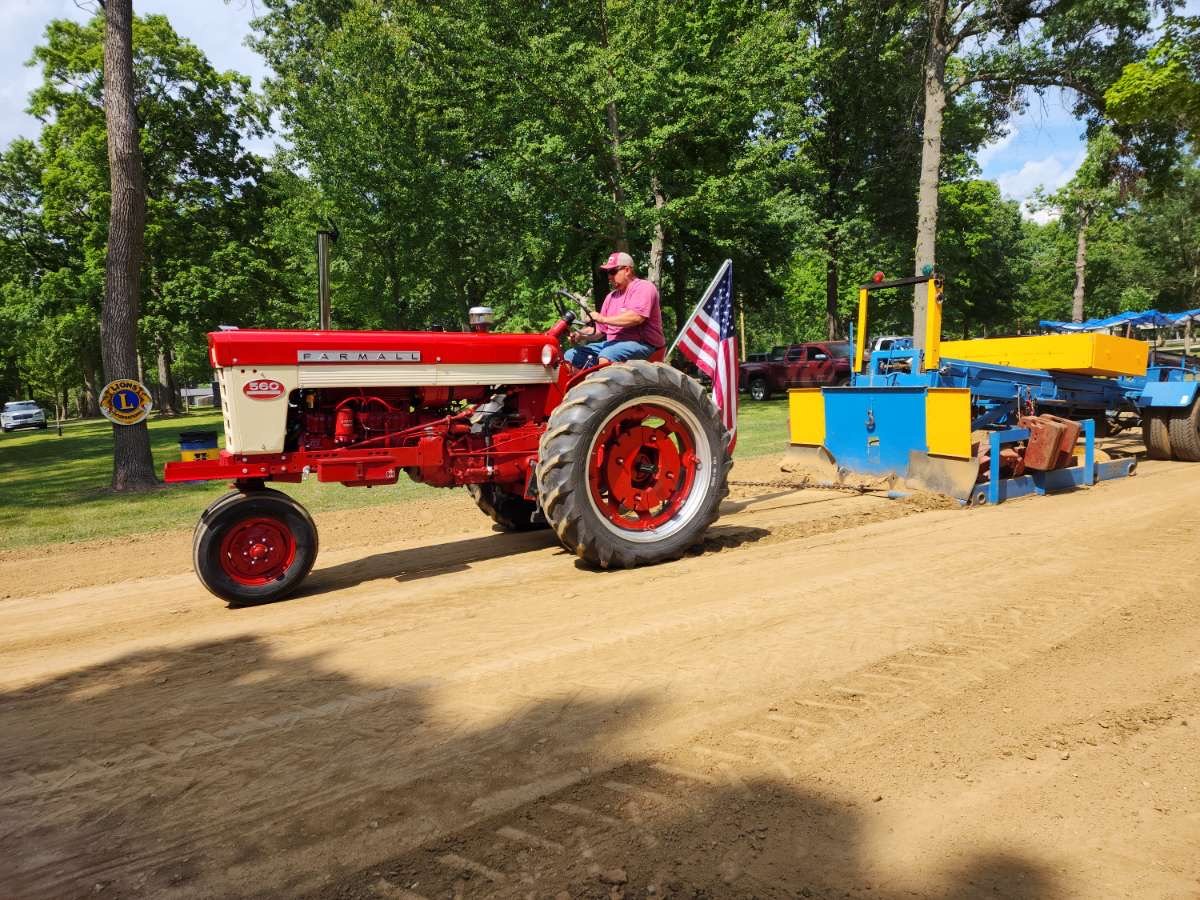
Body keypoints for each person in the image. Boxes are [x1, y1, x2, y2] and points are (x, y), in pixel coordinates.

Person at [564, 251, 665, 368]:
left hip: (644, 345)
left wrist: (602, 318)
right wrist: (580, 334)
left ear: (627, 270)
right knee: (571, 356)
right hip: (612, 344)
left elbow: (637, 317)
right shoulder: (610, 297)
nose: (609, 277)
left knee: (607, 355)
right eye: (608, 273)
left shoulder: (644, 287)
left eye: (613, 271)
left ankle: (604, 385)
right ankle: (581, 386)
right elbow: (600, 331)